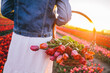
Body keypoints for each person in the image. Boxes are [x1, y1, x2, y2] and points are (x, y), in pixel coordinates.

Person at [1, 0, 71, 73]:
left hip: (18, 38)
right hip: (42, 41)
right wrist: (49, 23)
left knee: (15, 69)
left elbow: (5, 10)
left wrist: (21, 20)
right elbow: (64, 17)